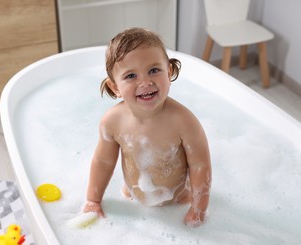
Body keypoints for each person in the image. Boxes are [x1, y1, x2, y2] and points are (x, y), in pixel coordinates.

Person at [83, 27, 212, 226]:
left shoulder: (183, 121)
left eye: (153, 70)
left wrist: (198, 210)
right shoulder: (112, 121)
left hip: (177, 201)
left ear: (168, 72)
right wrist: (93, 200)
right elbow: (102, 162)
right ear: (115, 87)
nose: (145, 82)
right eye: (131, 76)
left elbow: (200, 166)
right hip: (132, 198)